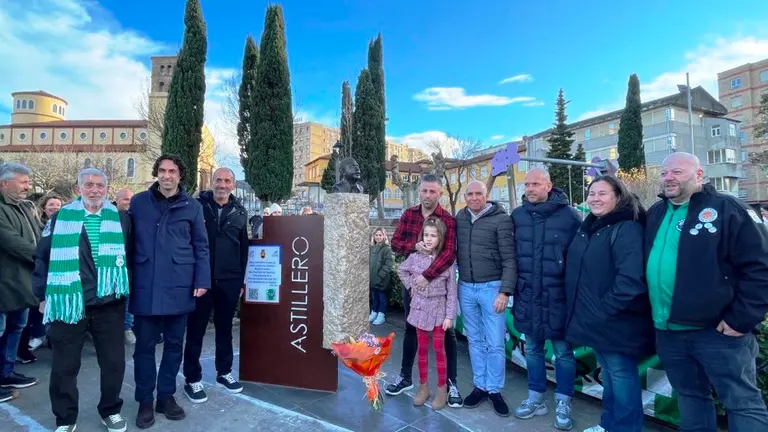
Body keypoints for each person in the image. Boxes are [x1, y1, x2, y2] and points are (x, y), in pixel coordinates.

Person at [646, 152, 768, 431]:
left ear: (699, 175)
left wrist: (742, 319)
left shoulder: (728, 208)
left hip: (718, 333)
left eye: (677, 172)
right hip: (669, 332)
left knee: (742, 402)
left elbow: (760, 267)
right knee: (690, 396)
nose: (669, 178)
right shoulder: (656, 212)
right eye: (664, 173)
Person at [32, 168, 132, 432]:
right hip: (69, 302)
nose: (95, 190)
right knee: (65, 365)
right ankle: (65, 418)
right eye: (89, 185)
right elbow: (41, 258)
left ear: (107, 189)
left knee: (113, 363)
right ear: (78, 189)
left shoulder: (120, 219)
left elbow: (130, 258)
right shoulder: (60, 218)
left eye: (100, 185)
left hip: (109, 304)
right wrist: (42, 295)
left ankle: (110, 410)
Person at [564, 176, 654, 432]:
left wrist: (604, 311)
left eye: (602, 193)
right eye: (592, 193)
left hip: (617, 321)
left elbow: (631, 280)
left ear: (618, 196)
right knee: (611, 376)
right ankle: (609, 424)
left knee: (622, 377)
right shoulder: (592, 226)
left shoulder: (626, 228)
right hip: (595, 321)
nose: (594, 198)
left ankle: (625, 428)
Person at [128, 154, 211, 429]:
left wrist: (202, 279)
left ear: (180, 175)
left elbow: (201, 246)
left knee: (175, 346)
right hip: (146, 285)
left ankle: (166, 396)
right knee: (144, 348)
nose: (166, 175)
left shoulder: (193, 207)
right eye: (162, 171)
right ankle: (144, 401)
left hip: (180, 285)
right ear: (156, 173)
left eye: (172, 171)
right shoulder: (139, 203)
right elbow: (127, 243)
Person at [510, 168, 580, 429]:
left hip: (558, 298)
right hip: (528, 295)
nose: (530, 188)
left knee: (563, 352)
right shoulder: (517, 216)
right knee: (533, 350)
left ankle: (564, 400)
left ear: (549, 186)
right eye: (527, 184)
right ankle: (535, 397)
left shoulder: (571, 217)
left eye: (536, 184)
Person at [385, 174, 463, 408]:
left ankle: (450, 383)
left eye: (432, 191)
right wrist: (414, 247)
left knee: (445, 337)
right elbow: (396, 244)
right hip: (415, 291)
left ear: (440, 193)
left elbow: (449, 254)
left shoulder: (447, 220)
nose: (428, 195)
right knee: (411, 330)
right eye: (424, 191)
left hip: (436, 289)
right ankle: (407, 378)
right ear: (419, 192)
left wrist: (426, 277)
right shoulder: (409, 214)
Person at [183, 167, 248, 403]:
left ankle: (225, 372)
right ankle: (192, 378)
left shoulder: (240, 212)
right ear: (212, 182)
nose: (222, 184)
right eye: (218, 180)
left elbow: (243, 250)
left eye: (227, 181)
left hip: (229, 280)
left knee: (225, 329)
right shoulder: (197, 206)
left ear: (233, 185)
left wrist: (241, 280)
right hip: (201, 279)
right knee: (196, 330)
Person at [454, 180, 516, 417]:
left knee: (495, 342)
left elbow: (510, 258)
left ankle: (494, 389)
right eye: (469, 194)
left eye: (478, 194)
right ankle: (480, 386)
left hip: (492, 288)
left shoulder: (501, 219)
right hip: (467, 287)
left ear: (486, 195)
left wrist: (504, 291)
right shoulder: (460, 218)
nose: (474, 198)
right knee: (474, 340)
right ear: (465, 196)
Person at [397, 217, 458, 410]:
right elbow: (401, 270)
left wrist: (450, 316)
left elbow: (452, 291)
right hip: (420, 309)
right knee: (422, 349)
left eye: (434, 235)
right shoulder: (415, 257)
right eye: (426, 235)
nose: (429, 239)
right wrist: (412, 286)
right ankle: (423, 387)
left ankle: (442, 389)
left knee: (439, 350)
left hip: (439, 309)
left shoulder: (446, 261)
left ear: (441, 238)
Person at [0, 162, 41, 403]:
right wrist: (44, 258)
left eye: (28, 182)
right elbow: (13, 242)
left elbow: (41, 233)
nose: (28, 186)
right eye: (23, 182)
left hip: (23, 282)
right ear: (5, 183)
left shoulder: (25, 207)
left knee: (16, 328)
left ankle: (6, 373)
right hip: (5, 283)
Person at [17, 193, 65, 364]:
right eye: (51, 204)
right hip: (35, 271)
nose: (55, 208)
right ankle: (32, 340)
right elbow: (39, 250)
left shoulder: (64, 223)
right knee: (33, 311)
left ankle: (45, 338)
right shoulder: (37, 224)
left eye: (58, 205)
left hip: (55, 273)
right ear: (44, 207)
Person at [113, 187, 136, 345]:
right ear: (117, 200)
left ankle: (127, 327)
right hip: (113, 265)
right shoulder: (109, 217)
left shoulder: (135, 217)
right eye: (125, 199)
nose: (128, 203)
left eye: (130, 199)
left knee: (129, 297)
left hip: (131, 264)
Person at [369, 228, 394, 326]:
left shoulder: (387, 249)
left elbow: (389, 264)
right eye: (376, 235)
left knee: (382, 297)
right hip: (373, 278)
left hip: (382, 280)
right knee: (375, 297)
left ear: (384, 236)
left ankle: (381, 314)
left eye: (380, 235)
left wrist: (380, 276)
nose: (378, 237)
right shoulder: (372, 248)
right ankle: (374, 312)